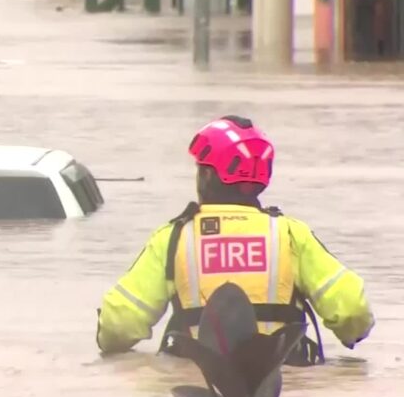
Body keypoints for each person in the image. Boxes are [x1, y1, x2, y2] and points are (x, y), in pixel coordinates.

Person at [95, 115, 374, 366]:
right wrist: (354, 336)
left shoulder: (174, 238)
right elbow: (352, 310)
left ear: (206, 175)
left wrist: (107, 344)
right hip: (277, 385)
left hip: (204, 386)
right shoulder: (289, 235)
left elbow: (120, 325)